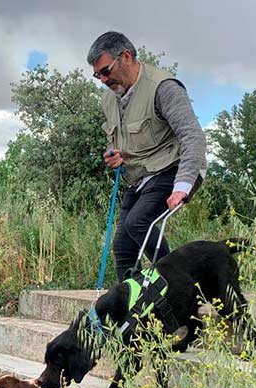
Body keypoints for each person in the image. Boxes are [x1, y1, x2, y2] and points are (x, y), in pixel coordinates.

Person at [88, 31, 208, 281]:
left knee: (138, 222)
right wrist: (115, 154)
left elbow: (193, 137)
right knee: (122, 245)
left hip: (173, 169)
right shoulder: (108, 99)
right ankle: (133, 310)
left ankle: (176, 286)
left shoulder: (163, 88)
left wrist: (182, 186)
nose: (102, 80)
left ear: (127, 57)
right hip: (142, 177)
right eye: (97, 75)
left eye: (106, 71)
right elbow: (117, 138)